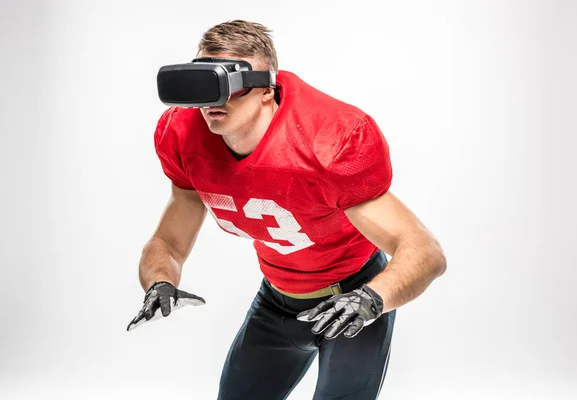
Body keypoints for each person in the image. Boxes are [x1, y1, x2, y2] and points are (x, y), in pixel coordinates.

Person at [127, 19, 447, 400]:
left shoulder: (329, 141)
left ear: (266, 89)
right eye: (203, 86)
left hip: (350, 302)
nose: (213, 103)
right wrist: (160, 281)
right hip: (276, 299)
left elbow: (425, 252)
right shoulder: (184, 135)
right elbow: (170, 241)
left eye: (226, 87)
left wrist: (370, 300)